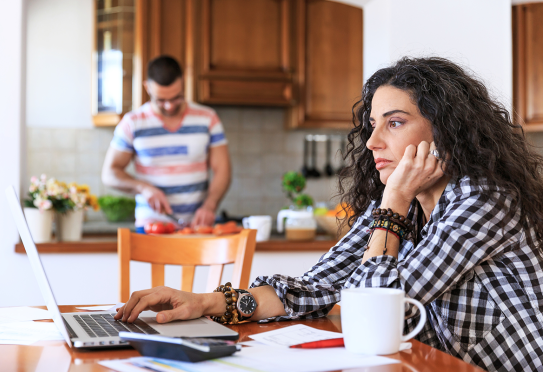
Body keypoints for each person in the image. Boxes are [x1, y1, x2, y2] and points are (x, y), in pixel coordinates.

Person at [114, 57, 543, 372]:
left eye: (393, 123)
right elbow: (316, 286)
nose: (372, 141)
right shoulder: (398, 205)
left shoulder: (485, 200)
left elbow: (371, 307)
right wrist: (209, 302)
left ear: (446, 129)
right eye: (372, 125)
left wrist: (392, 203)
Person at [102, 55, 231, 230]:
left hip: (197, 226)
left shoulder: (208, 118)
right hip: (151, 226)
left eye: (176, 97)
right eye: (161, 100)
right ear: (147, 87)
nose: (169, 106)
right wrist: (144, 188)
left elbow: (223, 170)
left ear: (183, 83)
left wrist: (210, 205)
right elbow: (110, 173)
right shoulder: (132, 122)